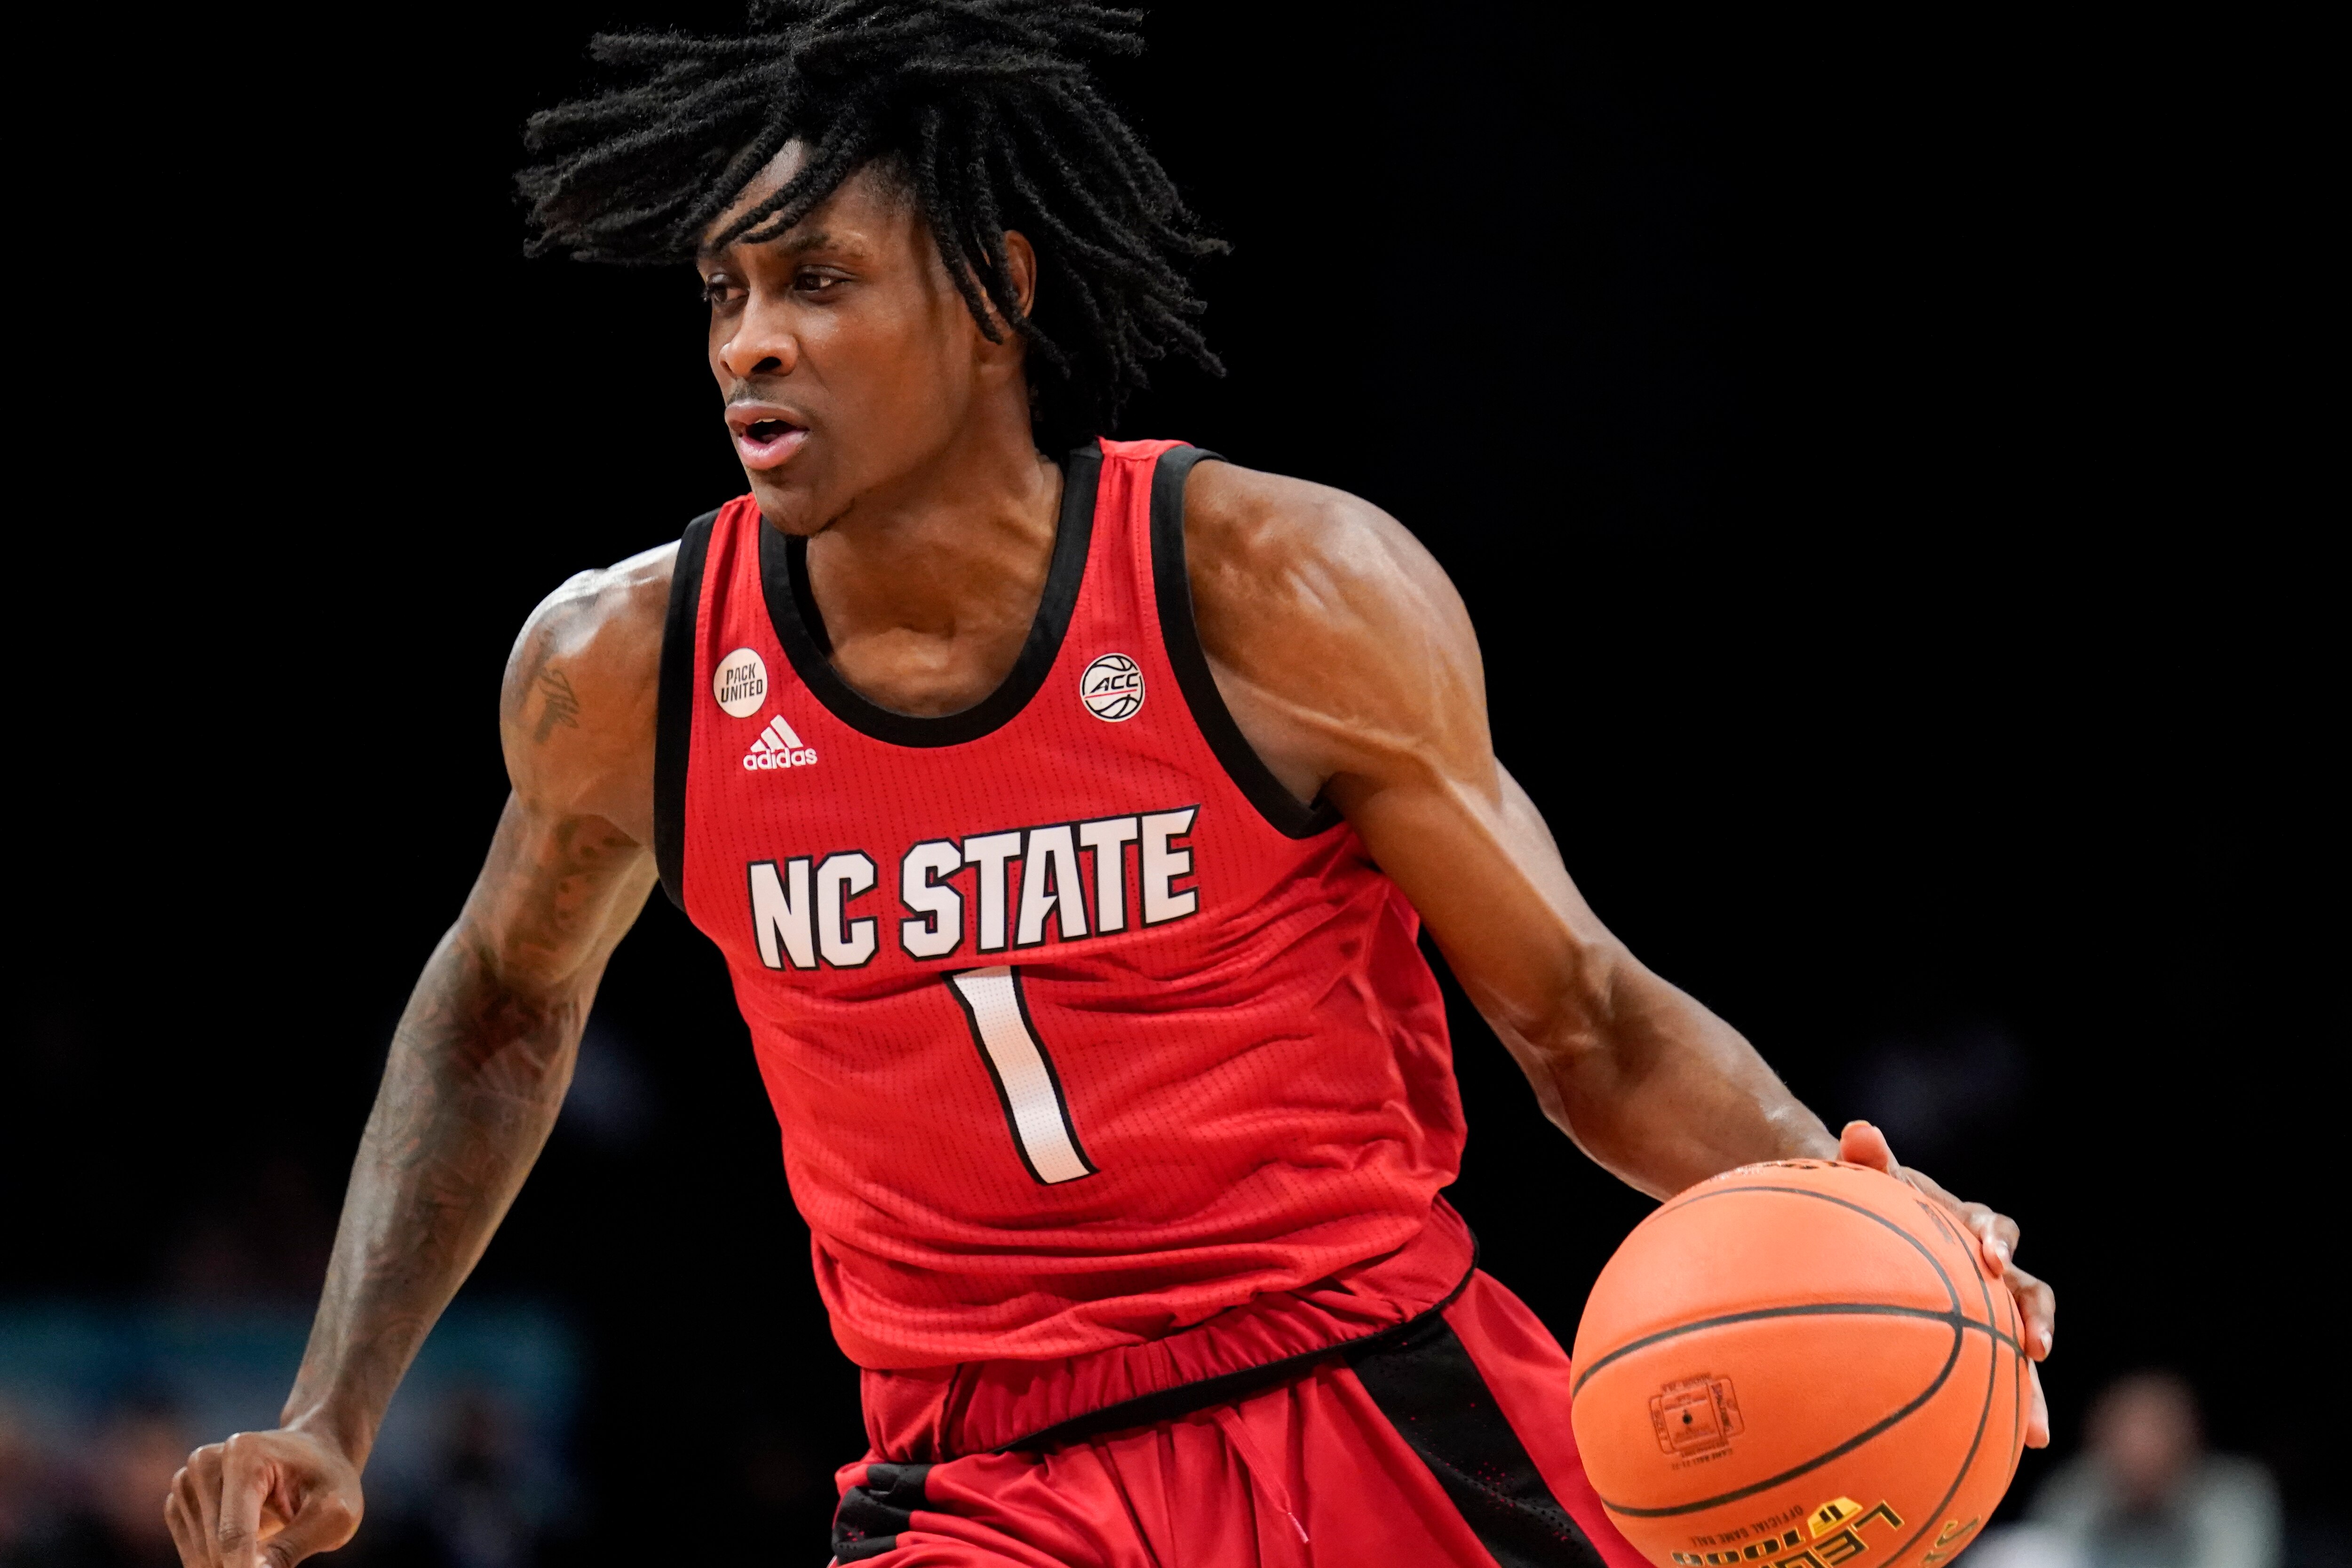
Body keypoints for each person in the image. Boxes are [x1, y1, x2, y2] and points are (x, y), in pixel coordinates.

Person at [165, 5, 2057, 1565]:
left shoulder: (1269, 592)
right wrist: (336, 1405)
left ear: (993, 287)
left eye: (817, 280)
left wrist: (1841, 1194)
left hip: (1382, 1393)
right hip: (982, 1472)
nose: (749, 338)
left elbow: (1578, 1017)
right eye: (724, 293)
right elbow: (498, 1005)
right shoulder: (627, 671)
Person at [2029, 1373, 2279, 1568]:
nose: (2139, 1450)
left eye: (2154, 1432)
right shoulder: (2071, 1493)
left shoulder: (2235, 1497)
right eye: (2125, 1434)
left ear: (2189, 1437)